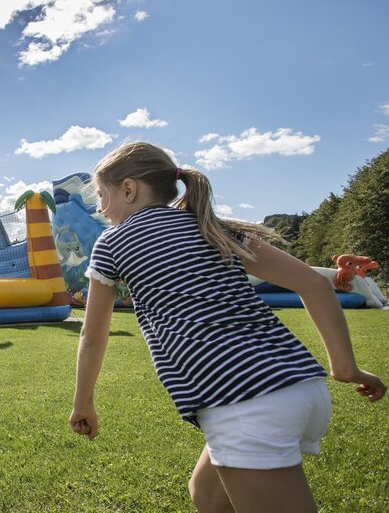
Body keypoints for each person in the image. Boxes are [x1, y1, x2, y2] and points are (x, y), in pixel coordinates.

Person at [69, 142, 384, 512]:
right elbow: (314, 284)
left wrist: (83, 402)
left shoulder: (112, 242)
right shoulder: (211, 226)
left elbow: (93, 335)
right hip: (299, 385)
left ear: (128, 189)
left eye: (102, 196)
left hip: (244, 402)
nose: (101, 209)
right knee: (207, 495)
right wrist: (345, 367)